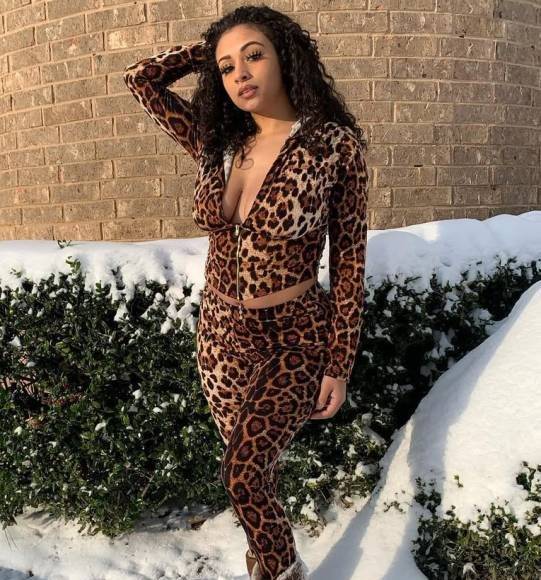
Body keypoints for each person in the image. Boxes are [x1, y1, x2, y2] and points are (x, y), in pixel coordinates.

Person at [124, 5, 368, 579]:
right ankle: (264, 557)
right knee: (251, 471)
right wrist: (208, 48)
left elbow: (350, 261)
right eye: (227, 67)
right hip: (220, 337)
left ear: (286, 57)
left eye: (254, 55)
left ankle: (282, 570)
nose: (240, 74)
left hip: (295, 337)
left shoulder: (333, 147)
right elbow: (141, 80)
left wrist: (339, 362)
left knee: (243, 474)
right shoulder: (217, 142)